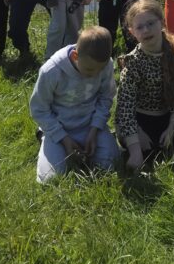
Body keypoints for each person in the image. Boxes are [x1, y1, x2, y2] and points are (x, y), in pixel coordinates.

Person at [29, 25, 120, 183]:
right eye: (89, 70)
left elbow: (106, 97)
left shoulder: (105, 65)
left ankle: (97, 142)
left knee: (110, 165)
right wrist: (63, 138)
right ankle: (45, 138)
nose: (95, 75)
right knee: (50, 179)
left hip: (90, 126)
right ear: (75, 56)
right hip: (60, 129)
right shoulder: (51, 71)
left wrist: (95, 128)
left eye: (100, 70)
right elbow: (39, 109)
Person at [115, 0, 174, 168]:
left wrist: (171, 129)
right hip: (140, 120)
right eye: (139, 27)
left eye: (150, 23)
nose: (146, 30)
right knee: (146, 153)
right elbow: (125, 109)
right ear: (132, 32)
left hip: (169, 117)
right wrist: (136, 147)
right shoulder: (132, 63)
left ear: (162, 22)